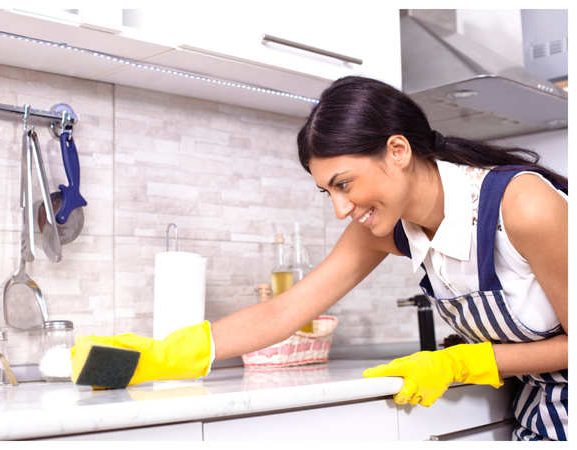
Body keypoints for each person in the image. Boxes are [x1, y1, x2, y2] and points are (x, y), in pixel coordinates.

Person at [71, 76, 567, 441]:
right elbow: (284, 312)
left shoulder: (520, 205)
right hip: (539, 408)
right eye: (326, 191)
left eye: (344, 184)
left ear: (397, 151)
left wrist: (463, 362)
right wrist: (163, 356)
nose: (339, 208)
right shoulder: (385, 230)